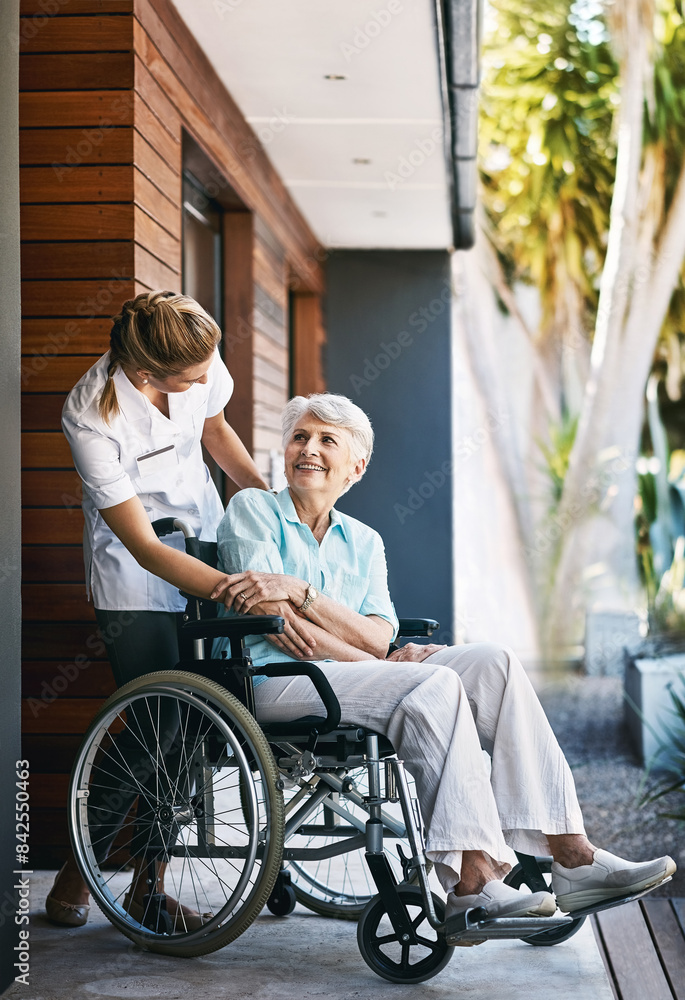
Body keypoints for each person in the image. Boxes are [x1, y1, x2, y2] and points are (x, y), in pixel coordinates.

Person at [212, 392, 676, 927]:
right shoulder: (251, 510)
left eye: (326, 440)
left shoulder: (364, 541)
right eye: (299, 437)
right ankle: (472, 882)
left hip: (345, 679)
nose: (308, 449)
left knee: (493, 664)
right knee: (430, 685)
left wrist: (307, 595)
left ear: (355, 468)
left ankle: (573, 855)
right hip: (272, 680)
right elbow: (280, 625)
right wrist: (378, 657)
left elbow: (377, 635)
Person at [46, 290, 272, 929]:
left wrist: (266, 506)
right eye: (196, 377)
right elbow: (143, 546)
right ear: (147, 374)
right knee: (157, 727)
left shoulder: (192, 350)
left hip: (208, 538)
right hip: (136, 580)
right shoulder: (90, 414)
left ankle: (148, 884)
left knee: (199, 725)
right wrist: (230, 589)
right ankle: (79, 872)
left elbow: (214, 429)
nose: (208, 378)